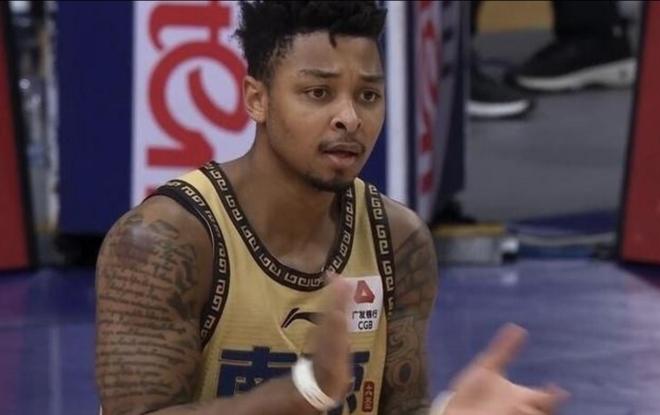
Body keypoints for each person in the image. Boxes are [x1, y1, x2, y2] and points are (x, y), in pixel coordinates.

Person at [95, 2, 567, 414]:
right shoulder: (163, 242)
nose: (350, 118)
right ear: (257, 99)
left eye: (368, 95)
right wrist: (302, 393)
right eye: (318, 93)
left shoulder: (398, 241)